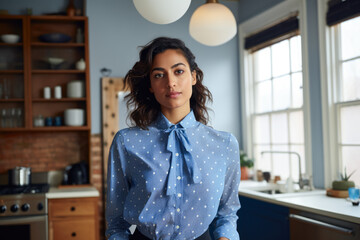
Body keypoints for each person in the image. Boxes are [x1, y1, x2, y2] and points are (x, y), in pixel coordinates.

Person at [106, 37, 241, 240]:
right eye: (159, 75)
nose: (171, 83)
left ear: (193, 77)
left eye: (179, 71)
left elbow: (228, 212)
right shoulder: (126, 143)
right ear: (150, 85)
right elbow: (116, 221)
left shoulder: (224, 144)